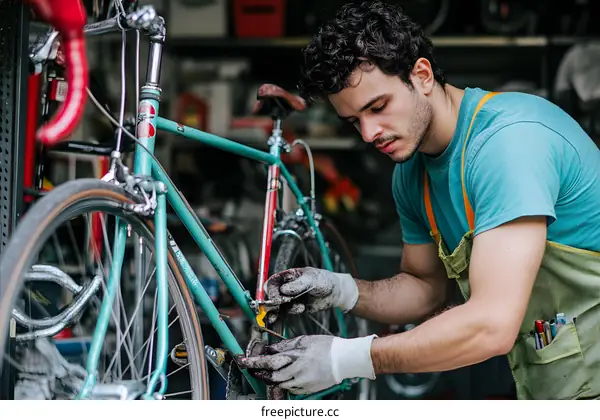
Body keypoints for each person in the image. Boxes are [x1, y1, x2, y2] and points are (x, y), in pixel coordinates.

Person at [237, 0, 600, 400]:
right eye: (354, 121)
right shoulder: (411, 173)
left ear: (422, 75)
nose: (369, 133)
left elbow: (491, 325)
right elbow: (427, 288)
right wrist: (342, 290)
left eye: (378, 107)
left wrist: (347, 359)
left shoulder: (507, 145)